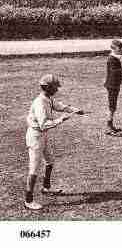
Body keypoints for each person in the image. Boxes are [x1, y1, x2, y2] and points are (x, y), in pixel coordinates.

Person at [24, 74, 83, 210]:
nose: (57, 89)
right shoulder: (40, 103)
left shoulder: (48, 98)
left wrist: (75, 110)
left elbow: (59, 106)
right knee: (34, 169)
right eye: (55, 87)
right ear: (47, 87)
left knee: (50, 162)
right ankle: (28, 200)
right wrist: (61, 120)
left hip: (42, 135)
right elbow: (44, 124)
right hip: (35, 137)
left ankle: (46, 188)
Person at [104, 40, 122, 136]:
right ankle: (109, 127)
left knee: (113, 105)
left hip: (114, 84)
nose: (121, 50)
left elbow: (116, 70)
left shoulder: (114, 57)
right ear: (113, 48)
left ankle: (110, 125)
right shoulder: (112, 58)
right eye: (119, 48)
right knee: (112, 106)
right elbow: (114, 71)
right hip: (112, 85)